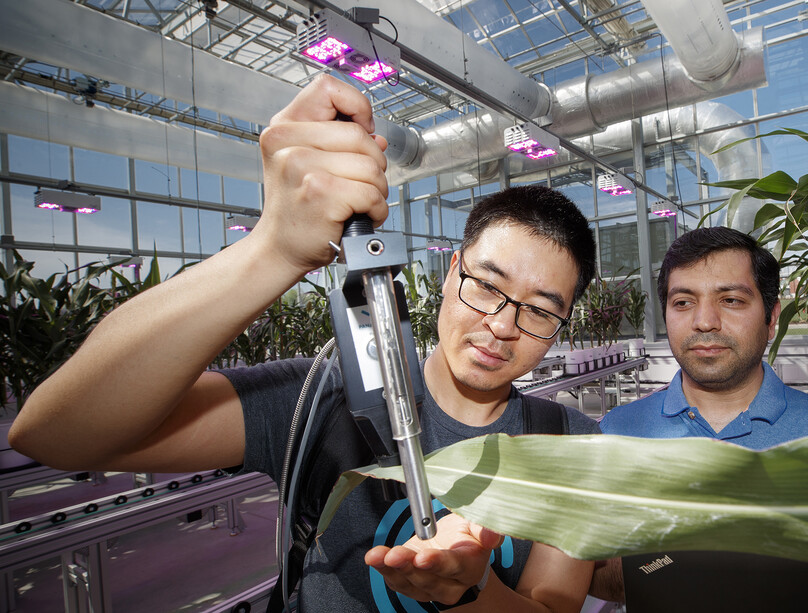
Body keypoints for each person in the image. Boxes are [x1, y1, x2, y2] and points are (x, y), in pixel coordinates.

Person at [9, 75, 599, 613]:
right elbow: (57, 432)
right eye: (486, 287)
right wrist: (274, 249)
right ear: (449, 276)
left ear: (564, 323)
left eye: (540, 311)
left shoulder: (570, 444)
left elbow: (553, 605)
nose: (501, 324)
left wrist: (471, 594)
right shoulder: (324, 398)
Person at [590, 226, 808, 603]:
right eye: (683, 302)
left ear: (771, 319)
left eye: (732, 300)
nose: (705, 321)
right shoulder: (616, 433)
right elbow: (601, 578)